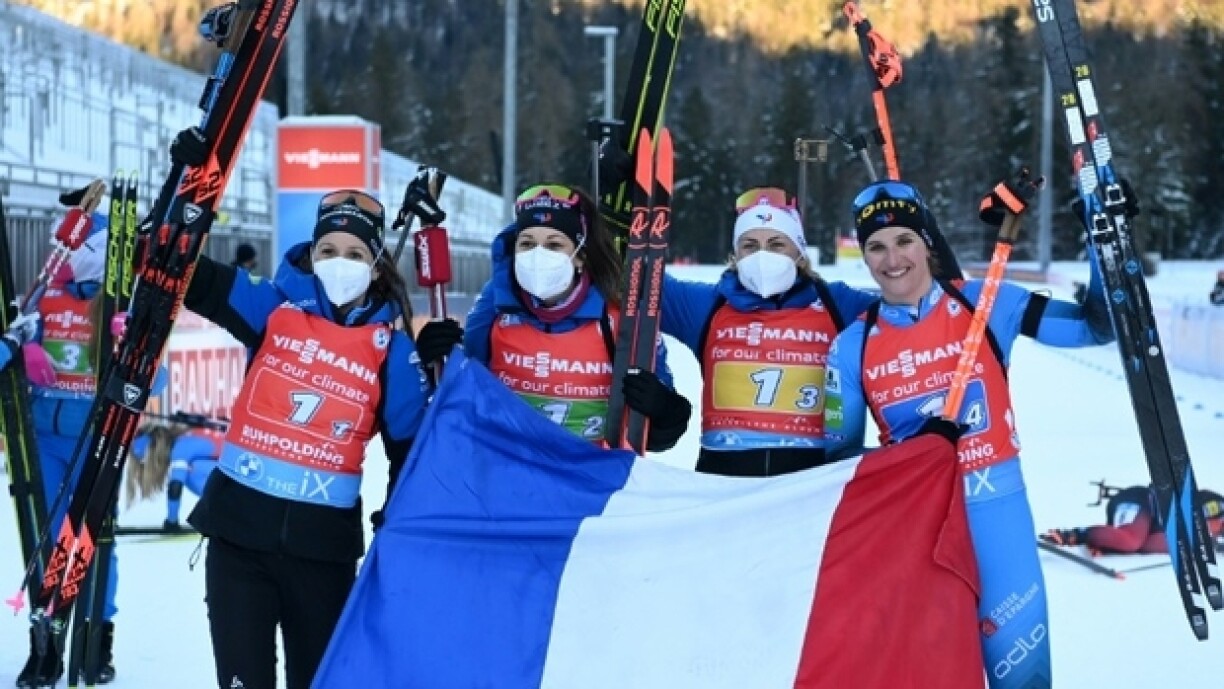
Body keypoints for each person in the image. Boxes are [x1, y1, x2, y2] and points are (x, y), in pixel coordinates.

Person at [822, 178, 1116, 689]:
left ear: (926, 242)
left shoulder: (984, 304)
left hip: (999, 517)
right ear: (864, 257)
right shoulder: (853, 347)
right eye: (876, 247)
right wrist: (915, 454)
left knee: (1023, 677)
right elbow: (838, 466)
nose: (893, 259)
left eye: (904, 240)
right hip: (920, 535)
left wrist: (1101, 234)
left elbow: (1096, 327)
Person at [180, 174, 457, 687]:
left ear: (376, 266)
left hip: (322, 557)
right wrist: (179, 217)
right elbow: (192, 278)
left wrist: (393, 527)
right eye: (328, 248)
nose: (339, 262)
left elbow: (413, 455)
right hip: (238, 543)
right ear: (311, 253)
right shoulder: (275, 308)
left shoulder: (392, 351)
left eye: (354, 253)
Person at [658, 187, 880, 476]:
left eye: (777, 245)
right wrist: (619, 219)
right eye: (749, 246)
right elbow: (634, 281)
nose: (762, 256)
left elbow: (922, 307)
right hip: (726, 483)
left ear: (799, 252)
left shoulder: (838, 304)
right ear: (735, 254)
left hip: (813, 485)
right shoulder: (707, 306)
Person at [459, 183, 692, 451]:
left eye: (554, 244)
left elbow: (654, 436)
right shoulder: (494, 310)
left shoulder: (621, 318)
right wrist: (440, 360)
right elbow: (464, 396)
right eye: (527, 244)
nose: (538, 255)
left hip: (590, 480)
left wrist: (665, 411)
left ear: (580, 256)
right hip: (511, 475)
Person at [0, 217, 120, 686]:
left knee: (91, 543)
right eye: (61, 246)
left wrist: (123, 347)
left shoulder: (116, 303)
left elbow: (158, 379)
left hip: (95, 439)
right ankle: (45, 647)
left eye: (74, 246)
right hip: (42, 441)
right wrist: (21, 343)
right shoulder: (42, 299)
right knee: (45, 544)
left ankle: (96, 640)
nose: (64, 255)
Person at [1046, 485, 1224, 554]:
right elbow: (1193, 500)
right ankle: (1075, 534)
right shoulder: (1218, 506)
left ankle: (1105, 542)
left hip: (1151, 525)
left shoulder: (1211, 539)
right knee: (1130, 540)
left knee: (1143, 545)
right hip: (1139, 501)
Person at [124, 419, 223, 531]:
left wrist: (172, 522)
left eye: (144, 459)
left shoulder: (179, 449)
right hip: (237, 480)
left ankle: (225, 512)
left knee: (191, 470)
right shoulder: (184, 439)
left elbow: (175, 487)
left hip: (237, 487)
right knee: (190, 469)